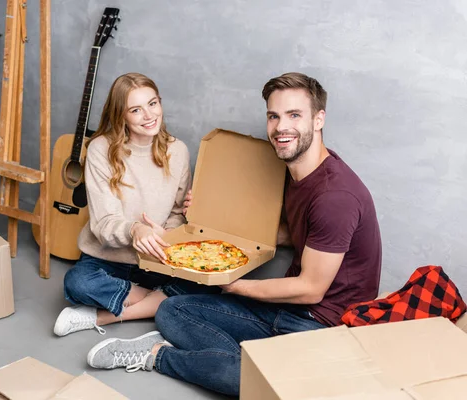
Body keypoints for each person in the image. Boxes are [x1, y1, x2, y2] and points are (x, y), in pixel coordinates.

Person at [84, 72, 383, 396]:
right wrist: (207, 214)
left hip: (322, 325)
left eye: (294, 115)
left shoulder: (334, 197)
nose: (281, 127)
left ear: (318, 119)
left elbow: (310, 290)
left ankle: (160, 356)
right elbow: (288, 233)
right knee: (171, 310)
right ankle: (240, 362)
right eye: (274, 116)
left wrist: (234, 286)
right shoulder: (302, 172)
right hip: (283, 311)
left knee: (258, 384)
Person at [53, 72, 219, 337]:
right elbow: (104, 223)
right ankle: (155, 301)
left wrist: (166, 233)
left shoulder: (178, 151)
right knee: (77, 283)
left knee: (212, 285)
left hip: (157, 259)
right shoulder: (100, 150)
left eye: (153, 104)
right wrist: (134, 230)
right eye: (136, 110)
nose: (149, 115)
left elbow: (177, 214)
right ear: (121, 115)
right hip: (107, 259)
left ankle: (102, 316)